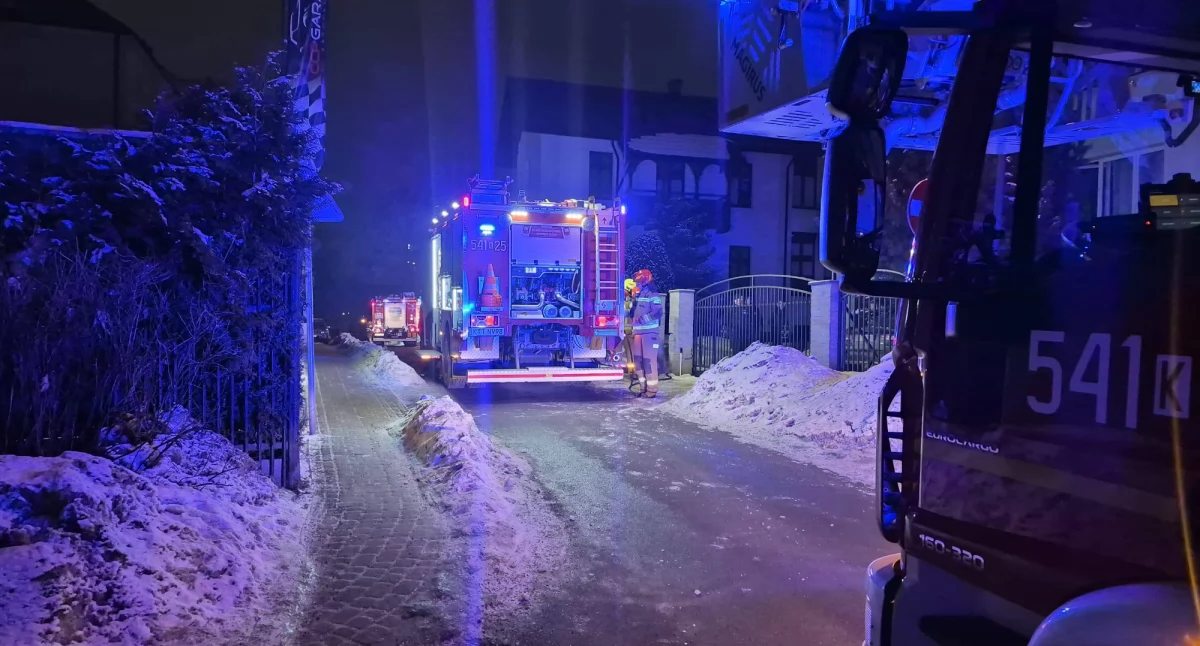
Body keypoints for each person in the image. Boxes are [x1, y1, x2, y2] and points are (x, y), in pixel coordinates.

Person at [629, 269, 664, 397]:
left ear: (644, 281)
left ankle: (652, 390)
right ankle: (642, 388)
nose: (636, 285)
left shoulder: (652, 294)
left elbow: (658, 313)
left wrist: (644, 319)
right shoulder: (641, 295)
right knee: (638, 362)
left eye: (638, 282)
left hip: (650, 334)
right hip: (639, 333)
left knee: (649, 362)